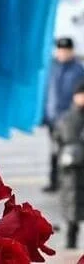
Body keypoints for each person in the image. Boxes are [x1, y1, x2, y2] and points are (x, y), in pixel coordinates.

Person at [46, 37, 84, 192]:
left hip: (71, 119)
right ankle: (55, 182)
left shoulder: (78, 70)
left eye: (66, 50)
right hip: (54, 117)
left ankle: (71, 182)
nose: (63, 53)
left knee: (70, 150)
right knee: (55, 150)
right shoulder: (52, 68)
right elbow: (47, 94)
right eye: (60, 50)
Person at [57, 78, 84, 248]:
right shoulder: (68, 117)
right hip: (72, 169)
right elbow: (59, 139)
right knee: (72, 204)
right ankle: (71, 242)